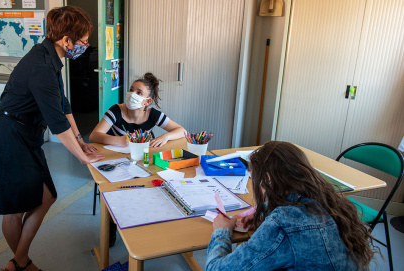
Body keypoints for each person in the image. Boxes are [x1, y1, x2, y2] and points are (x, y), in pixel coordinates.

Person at [0, 6, 104, 271]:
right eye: (83, 41)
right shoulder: (42, 66)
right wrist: (82, 158)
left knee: (46, 197)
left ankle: (19, 262)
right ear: (66, 40)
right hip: (8, 136)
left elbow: (63, 104)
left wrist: (80, 140)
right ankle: (22, 263)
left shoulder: (50, 57)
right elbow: (57, 124)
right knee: (14, 208)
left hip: (26, 134)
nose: (86, 45)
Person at [206, 141, 377, 271]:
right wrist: (264, 212)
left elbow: (216, 268)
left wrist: (221, 231)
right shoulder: (331, 200)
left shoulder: (282, 223)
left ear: (268, 178)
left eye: (254, 179)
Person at [89, 72, 186, 147]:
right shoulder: (116, 111)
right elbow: (93, 136)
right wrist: (120, 140)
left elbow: (182, 131)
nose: (132, 94)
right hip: (119, 156)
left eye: (139, 93)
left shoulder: (153, 114)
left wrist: (166, 137)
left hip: (145, 154)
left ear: (147, 102)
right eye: (131, 90)